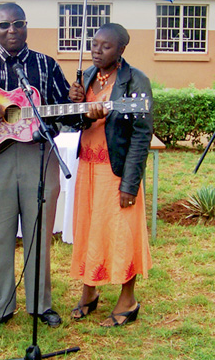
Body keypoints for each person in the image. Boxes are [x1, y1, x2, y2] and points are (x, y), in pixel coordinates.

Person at [0, 2, 71, 328]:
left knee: (39, 234)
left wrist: (80, 107)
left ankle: (40, 305)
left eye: (18, 23)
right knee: (0, 236)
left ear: (26, 26)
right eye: (4, 25)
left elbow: (67, 112)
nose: (12, 30)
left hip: (38, 157)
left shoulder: (45, 65)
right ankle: (1, 306)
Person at [68, 23, 153, 327]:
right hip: (87, 168)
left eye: (105, 46)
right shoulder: (87, 77)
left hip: (116, 171)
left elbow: (142, 136)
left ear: (121, 50)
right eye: (94, 44)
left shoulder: (134, 80)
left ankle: (128, 300)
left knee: (121, 233)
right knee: (90, 229)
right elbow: (72, 124)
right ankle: (89, 292)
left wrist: (130, 184)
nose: (96, 50)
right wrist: (75, 104)